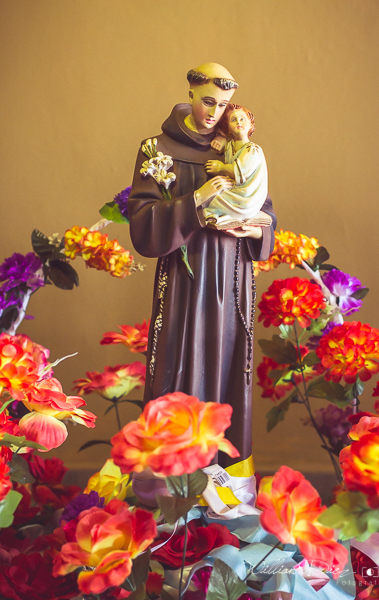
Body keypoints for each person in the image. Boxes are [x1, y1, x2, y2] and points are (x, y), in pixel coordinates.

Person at [128, 63, 276, 468]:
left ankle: (222, 479)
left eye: (223, 105)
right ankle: (173, 476)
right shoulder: (157, 149)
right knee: (179, 361)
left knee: (225, 363)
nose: (215, 112)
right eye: (208, 101)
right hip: (185, 278)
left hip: (230, 275)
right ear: (191, 93)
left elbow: (264, 208)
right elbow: (141, 221)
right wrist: (197, 199)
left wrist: (256, 231)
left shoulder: (237, 149)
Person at [203, 104, 270, 229]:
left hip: (247, 196)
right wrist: (221, 138)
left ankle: (219, 218)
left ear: (250, 124)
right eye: (233, 120)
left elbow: (240, 172)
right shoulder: (230, 146)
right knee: (210, 195)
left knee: (215, 201)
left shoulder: (253, 150)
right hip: (236, 190)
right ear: (227, 127)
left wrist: (221, 168)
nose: (238, 122)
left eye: (242, 119)